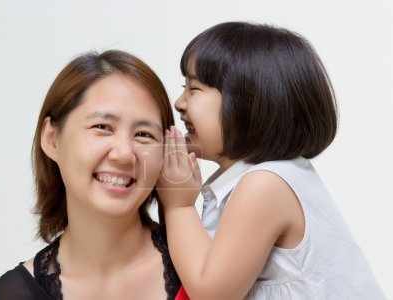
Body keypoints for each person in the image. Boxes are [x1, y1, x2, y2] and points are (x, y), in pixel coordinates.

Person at [157, 22, 385, 299]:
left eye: (194, 89)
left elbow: (211, 293)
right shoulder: (270, 178)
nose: (179, 102)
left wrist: (179, 205)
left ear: (247, 102)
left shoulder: (265, 185)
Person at [0, 50, 189, 300]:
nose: (124, 154)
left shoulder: (208, 271)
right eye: (102, 127)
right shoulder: (12, 295)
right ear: (52, 139)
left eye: (144, 134)